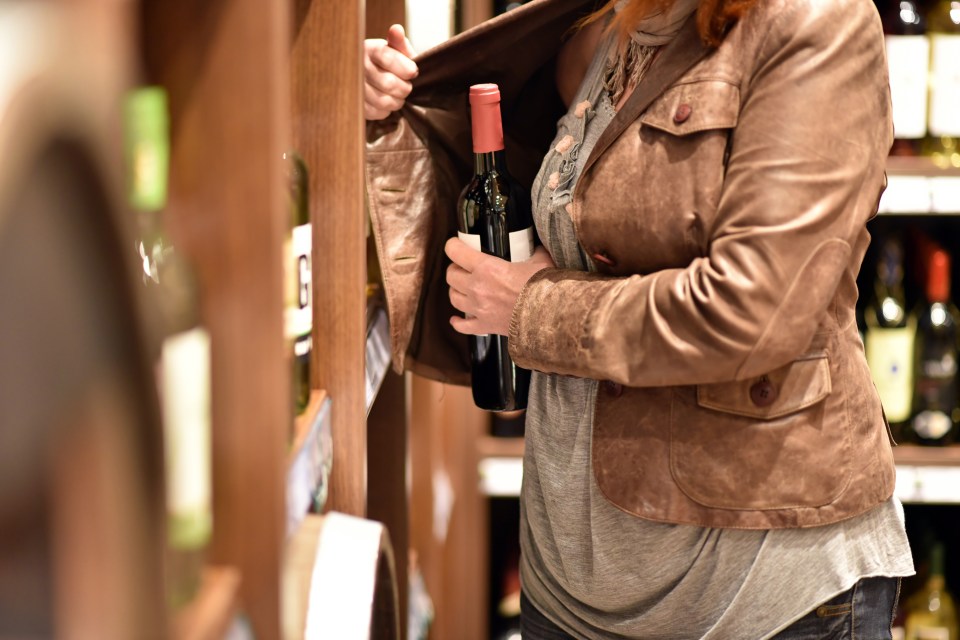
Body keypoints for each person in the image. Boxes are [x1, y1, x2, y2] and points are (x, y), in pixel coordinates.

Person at [364, 0, 915, 637]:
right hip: (565, 587)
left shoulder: (817, 20)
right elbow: (524, 190)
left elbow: (751, 311)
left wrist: (530, 308)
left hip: (756, 596)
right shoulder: (603, 23)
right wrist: (391, 101)